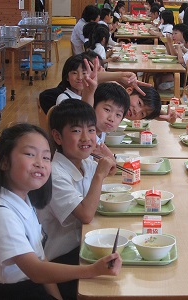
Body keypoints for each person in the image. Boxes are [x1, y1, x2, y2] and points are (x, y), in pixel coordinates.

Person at [0, 123, 122, 300]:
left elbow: (42, 259)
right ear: (4, 161)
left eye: (46, 157)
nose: (40, 163)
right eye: (30, 154)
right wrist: (92, 270)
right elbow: (36, 271)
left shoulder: (24, 202)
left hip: (32, 287)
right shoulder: (2, 215)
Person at [37, 100, 117, 299]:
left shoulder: (85, 162)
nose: (86, 138)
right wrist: (99, 175)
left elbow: (111, 179)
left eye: (91, 130)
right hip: (61, 260)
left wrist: (108, 162)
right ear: (57, 136)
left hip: (82, 246)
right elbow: (86, 215)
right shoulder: (54, 173)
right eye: (76, 131)